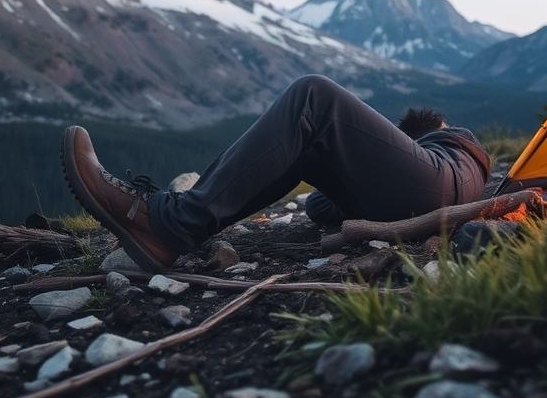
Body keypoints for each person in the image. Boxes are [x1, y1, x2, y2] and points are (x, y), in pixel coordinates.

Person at [60, 76, 493, 271]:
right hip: (417, 201)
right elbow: (325, 208)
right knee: (305, 146)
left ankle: (168, 221)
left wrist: (417, 142)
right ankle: (174, 223)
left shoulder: (454, 140)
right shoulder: (418, 180)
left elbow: (329, 205)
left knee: (313, 95)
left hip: (441, 186)